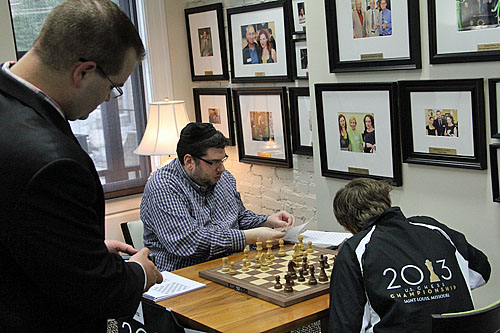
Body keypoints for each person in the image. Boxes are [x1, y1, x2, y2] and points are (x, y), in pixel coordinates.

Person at [0, 0, 163, 331]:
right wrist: (138, 273)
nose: (108, 98)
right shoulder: (54, 162)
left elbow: (19, 223)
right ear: (84, 71)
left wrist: (78, 246)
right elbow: (98, 290)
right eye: (114, 86)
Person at [329, 178, 491, 332]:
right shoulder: (432, 227)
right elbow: (481, 272)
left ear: (347, 225)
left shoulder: (355, 249)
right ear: (388, 203)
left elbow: (345, 326)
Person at [140, 122, 296, 271]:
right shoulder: (163, 186)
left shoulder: (223, 178)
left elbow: (238, 217)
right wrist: (249, 237)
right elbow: (189, 243)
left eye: (222, 160)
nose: (222, 168)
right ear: (189, 161)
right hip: (184, 277)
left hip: (229, 267)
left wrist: (266, 222)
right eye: (214, 162)